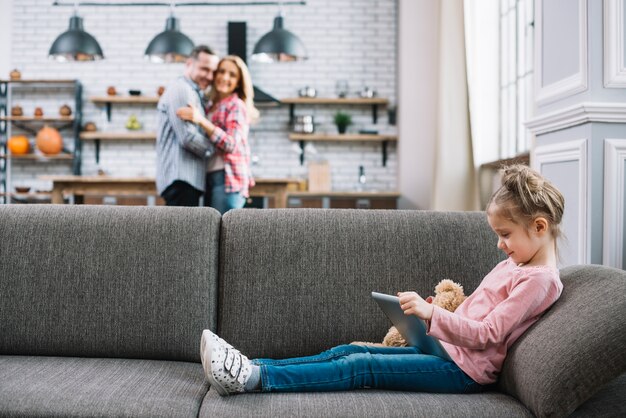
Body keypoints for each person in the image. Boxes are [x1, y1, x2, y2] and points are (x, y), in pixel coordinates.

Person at [199, 164, 566, 396]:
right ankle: (253, 366)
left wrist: (431, 315)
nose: (500, 244)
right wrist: (429, 315)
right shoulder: (516, 264)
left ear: (538, 227)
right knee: (349, 351)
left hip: (464, 371)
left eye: (505, 234)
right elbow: (473, 312)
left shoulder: (540, 281)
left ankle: (253, 380)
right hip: (446, 351)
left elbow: (489, 334)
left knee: (360, 368)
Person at [176, 55, 258, 214]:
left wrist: (201, 120)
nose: (225, 77)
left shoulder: (236, 105)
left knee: (224, 235)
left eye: (232, 75)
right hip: (210, 177)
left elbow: (231, 144)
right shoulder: (211, 105)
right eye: (221, 71)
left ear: (238, 82)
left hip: (228, 179)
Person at [155, 45, 219, 206]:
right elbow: (188, 137)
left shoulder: (193, 92)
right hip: (181, 180)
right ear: (189, 64)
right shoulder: (182, 90)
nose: (209, 76)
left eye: (213, 72)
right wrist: (215, 148)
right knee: (182, 232)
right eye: (204, 69)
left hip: (185, 181)